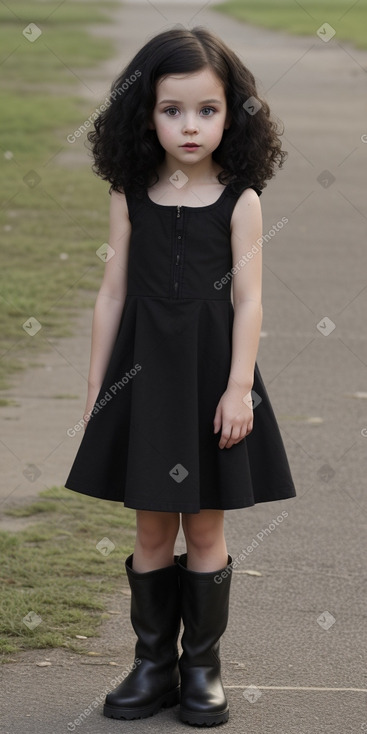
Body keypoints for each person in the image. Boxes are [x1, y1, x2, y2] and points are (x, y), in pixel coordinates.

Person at [64, 25, 296, 727]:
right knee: (149, 531)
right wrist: (95, 385)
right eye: (171, 110)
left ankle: (202, 670)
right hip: (142, 380)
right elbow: (110, 294)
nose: (189, 126)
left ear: (232, 114)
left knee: (204, 530)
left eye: (206, 110)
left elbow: (250, 299)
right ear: (144, 113)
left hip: (210, 383)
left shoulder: (239, 200)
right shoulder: (129, 193)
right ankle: (151, 665)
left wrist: (237, 388)